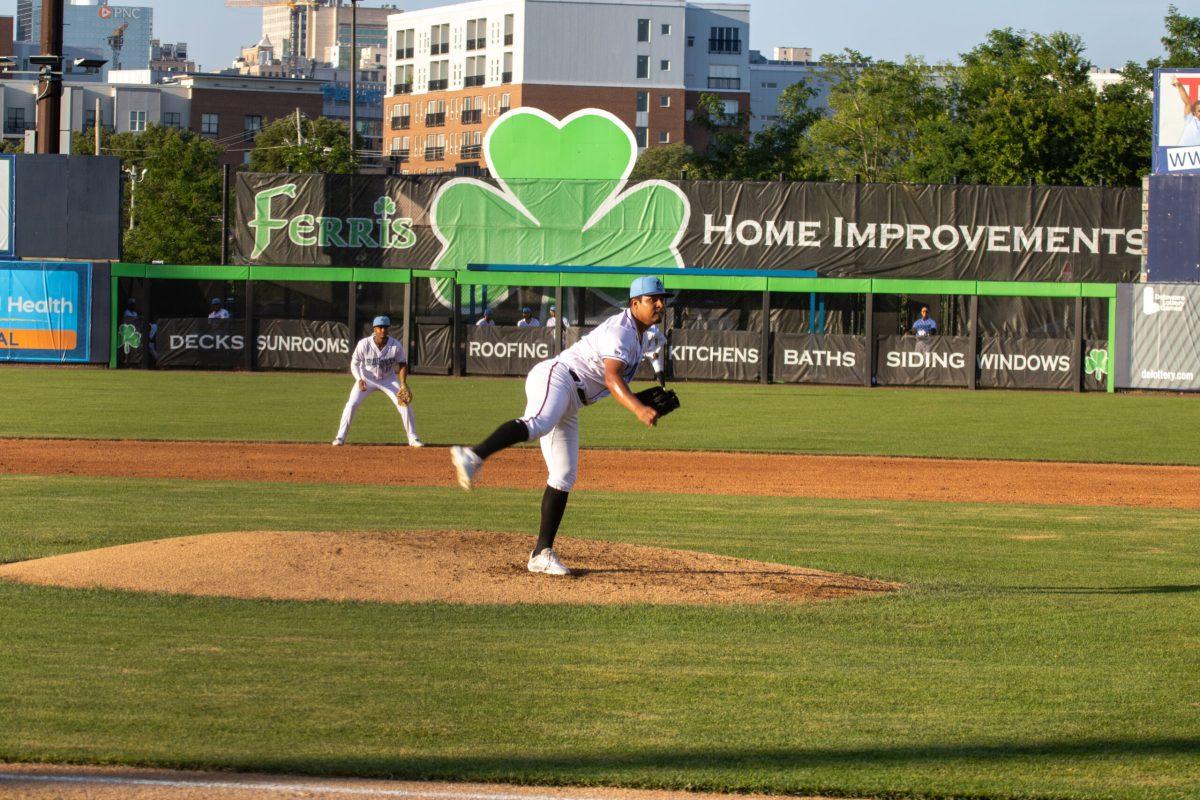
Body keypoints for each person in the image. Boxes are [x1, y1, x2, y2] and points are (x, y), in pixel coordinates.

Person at [450, 276, 668, 576]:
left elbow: (617, 377)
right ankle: (472, 456)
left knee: (564, 474)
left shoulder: (642, 333)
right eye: (652, 298)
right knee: (538, 423)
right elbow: (611, 379)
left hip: (573, 399)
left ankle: (541, 553)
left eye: (662, 297)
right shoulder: (622, 332)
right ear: (635, 303)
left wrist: (645, 399)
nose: (659, 303)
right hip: (558, 376)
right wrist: (638, 407)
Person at [333, 315, 423, 448]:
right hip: (366, 378)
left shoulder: (395, 345)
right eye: (380, 327)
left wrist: (403, 383)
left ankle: (413, 438)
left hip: (388, 379)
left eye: (385, 327)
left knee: (404, 404)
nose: (383, 330)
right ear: (374, 329)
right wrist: (359, 379)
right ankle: (340, 437)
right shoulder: (364, 344)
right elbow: (354, 363)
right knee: (351, 404)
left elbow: (402, 364)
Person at [1173, 78, 1200, 147]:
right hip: (1182, 154)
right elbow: (1187, 103)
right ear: (1194, 112)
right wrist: (1179, 86)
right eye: (1199, 111)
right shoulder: (1190, 120)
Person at [643, 324, 667, 388]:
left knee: (658, 368)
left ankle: (663, 388)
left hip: (651, 352)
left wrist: (656, 351)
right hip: (638, 351)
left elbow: (663, 340)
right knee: (627, 365)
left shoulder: (653, 328)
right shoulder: (636, 326)